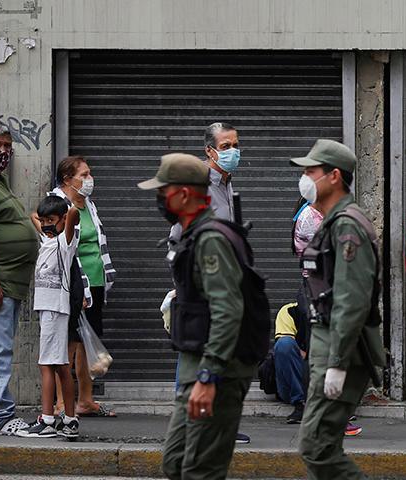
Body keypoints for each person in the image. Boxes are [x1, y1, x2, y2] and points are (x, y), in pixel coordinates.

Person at [139, 153, 256, 480]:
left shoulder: (211, 240)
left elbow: (228, 310)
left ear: (185, 194)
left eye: (164, 190)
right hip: (196, 363)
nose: (159, 198)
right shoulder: (190, 235)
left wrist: (209, 377)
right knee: (176, 463)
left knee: (200, 470)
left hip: (216, 369)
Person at [293, 139, 385, 479]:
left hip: (340, 351)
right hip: (329, 347)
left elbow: (352, 299)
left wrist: (337, 363)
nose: (305, 179)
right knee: (321, 446)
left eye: (310, 171)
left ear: (333, 176)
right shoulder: (333, 221)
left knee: (316, 446)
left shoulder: (347, 224)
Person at [168, 122, 251, 444]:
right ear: (210, 150)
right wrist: (185, 286)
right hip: (202, 289)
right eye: (226, 146)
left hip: (225, 286)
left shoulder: (227, 184)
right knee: (194, 353)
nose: (234, 152)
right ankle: (187, 427)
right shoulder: (199, 183)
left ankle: (217, 422)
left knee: (219, 351)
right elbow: (177, 237)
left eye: (236, 145)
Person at [46, 156, 116, 418]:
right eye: (83, 175)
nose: (89, 180)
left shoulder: (88, 205)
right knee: (70, 344)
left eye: (90, 174)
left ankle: (85, 400)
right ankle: (63, 402)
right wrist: (79, 287)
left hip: (96, 282)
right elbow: (52, 242)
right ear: (67, 180)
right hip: (75, 284)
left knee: (88, 343)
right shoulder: (57, 205)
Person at [0, 122, 39, 435]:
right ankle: (2, 418)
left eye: (7, 146)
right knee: (0, 351)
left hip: (9, 284)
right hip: (0, 284)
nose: (3, 152)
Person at [16, 196, 80, 439]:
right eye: (44, 222)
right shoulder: (48, 240)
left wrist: (66, 214)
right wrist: (47, 219)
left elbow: (74, 213)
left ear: (62, 221)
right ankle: (70, 420)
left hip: (55, 310)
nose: (45, 225)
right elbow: (35, 215)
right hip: (48, 310)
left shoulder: (66, 242)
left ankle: (48, 420)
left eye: (50, 221)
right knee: (62, 366)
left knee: (46, 365)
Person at [274, 302, 308, 424]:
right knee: (285, 344)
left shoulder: (333, 311)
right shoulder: (289, 310)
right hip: (291, 386)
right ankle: (300, 403)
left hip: (326, 385)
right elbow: (286, 347)